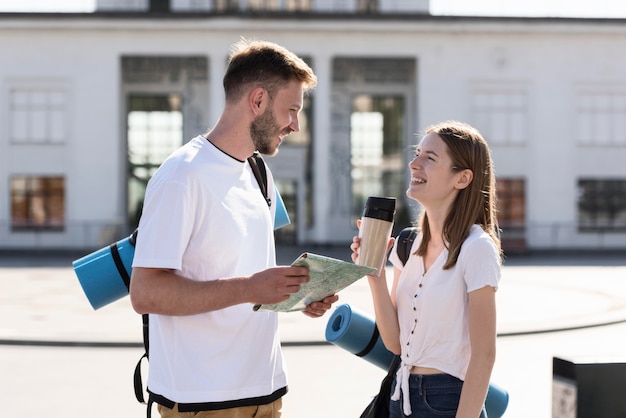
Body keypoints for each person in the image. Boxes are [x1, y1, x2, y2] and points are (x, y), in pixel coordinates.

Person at [129, 38, 338, 418]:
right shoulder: (182, 175)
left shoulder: (259, 173)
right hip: (201, 401)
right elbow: (145, 293)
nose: (295, 125)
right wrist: (251, 288)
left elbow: (243, 269)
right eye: (291, 110)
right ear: (257, 101)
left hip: (265, 392)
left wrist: (300, 294)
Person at [351, 120, 502, 417]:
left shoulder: (476, 248)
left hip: (449, 400)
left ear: (462, 178)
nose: (413, 163)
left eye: (429, 158)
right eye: (417, 153)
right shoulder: (409, 244)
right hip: (400, 394)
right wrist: (375, 274)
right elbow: (395, 343)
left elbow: (484, 356)